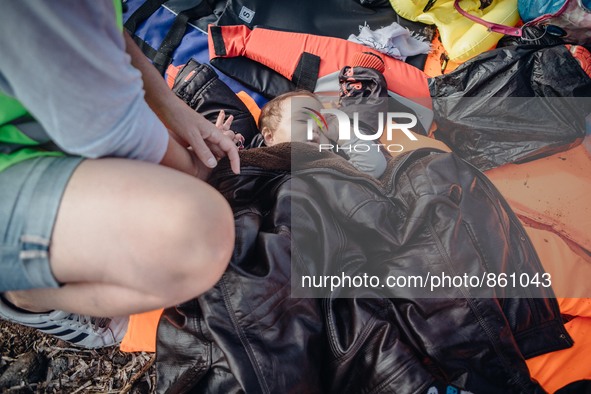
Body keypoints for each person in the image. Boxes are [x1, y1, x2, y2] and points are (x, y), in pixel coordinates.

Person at [0, 1, 241, 349]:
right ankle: (25, 294)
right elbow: (112, 129)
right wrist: (197, 170)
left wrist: (177, 112)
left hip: (35, 114)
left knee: (173, 152)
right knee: (198, 230)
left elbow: (103, 25)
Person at [258, 52, 389, 178]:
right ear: (270, 136)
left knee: (355, 127)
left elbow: (372, 165)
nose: (316, 127)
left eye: (322, 125)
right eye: (303, 120)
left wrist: (342, 132)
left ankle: (361, 81)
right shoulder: (260, 168)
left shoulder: (332, 170)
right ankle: (361, 79)